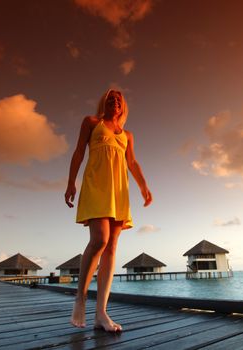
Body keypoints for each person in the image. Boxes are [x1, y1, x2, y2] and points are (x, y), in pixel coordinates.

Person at [64, 89, 152, 332]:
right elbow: (79, 151)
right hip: (96, 185)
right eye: (110, 98)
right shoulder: (92, 122)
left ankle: (101, 313)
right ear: (104, 102)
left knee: (112, 246)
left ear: (123, 106)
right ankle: (80, 298)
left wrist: (144, 186)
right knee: (99, 240)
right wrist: (71, 182)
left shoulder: (128, 135)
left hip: (118, 191)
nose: (115, 101)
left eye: (119, 99)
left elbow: (131, 162)